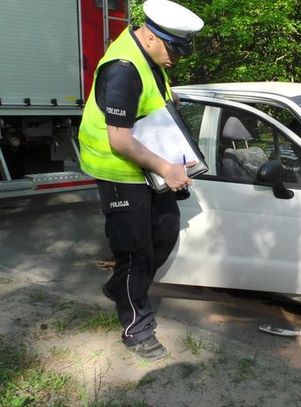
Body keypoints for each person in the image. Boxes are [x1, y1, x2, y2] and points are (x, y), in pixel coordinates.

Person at [78, 0, 204, 362]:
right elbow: (118, 139)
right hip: (118, 169)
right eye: (173, 51)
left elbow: (157, 97)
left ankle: (120, 286)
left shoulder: (150, 59)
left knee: (165, 231)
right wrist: (167, 168)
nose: (176, 59)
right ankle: (137, 328)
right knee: (136, 252)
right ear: (150, 37)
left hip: (145, 166)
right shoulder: (123, 69)